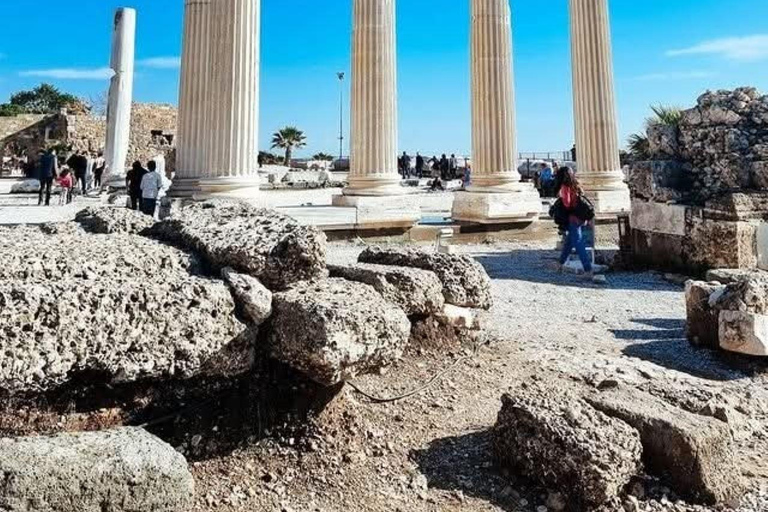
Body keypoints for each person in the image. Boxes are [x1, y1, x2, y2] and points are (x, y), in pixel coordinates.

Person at [557, 168, 593, 276]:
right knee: (569, 242)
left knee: (578, 243)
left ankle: (588, 269)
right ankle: (560, 264)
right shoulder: (576, 184)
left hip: (573, 218)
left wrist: (560, 199)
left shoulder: (565, 186)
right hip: (581, 217)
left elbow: (567, 203)